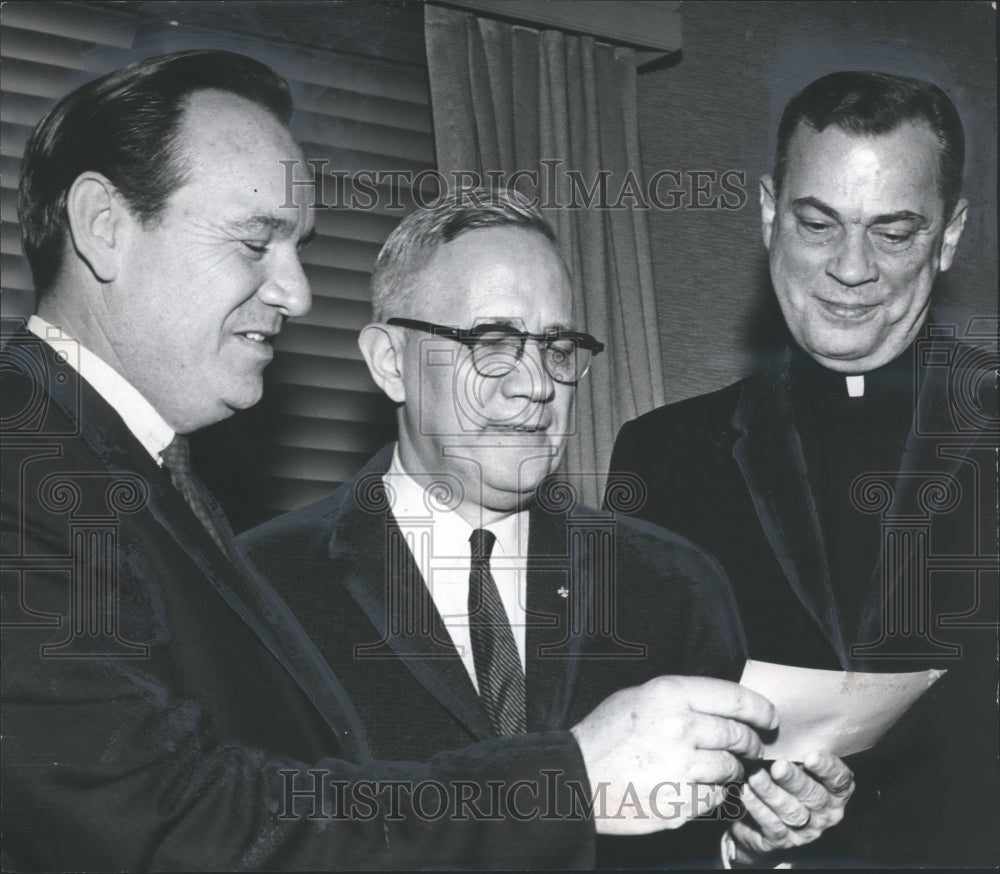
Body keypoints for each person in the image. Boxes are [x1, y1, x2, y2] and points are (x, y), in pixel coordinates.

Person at [0, 49, 794, 872]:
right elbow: (166, 823)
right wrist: (567, 780)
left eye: (556, 347)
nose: (298, 292)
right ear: (103, 227)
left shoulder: (132, 475)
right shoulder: (28, 469)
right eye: (254, 241)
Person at [239, 187, 855, 867]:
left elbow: (700, 840)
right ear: (391, 362)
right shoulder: (260, 591)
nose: (536, 384)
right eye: (492, 343)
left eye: (558, 348)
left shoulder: (672, 585)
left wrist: (747, 847)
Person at [606, 71, 999, 867]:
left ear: (950, 235)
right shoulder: (662, 455)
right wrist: (739, 846)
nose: (850, 269)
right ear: (767, 214)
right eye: (818, 224)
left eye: (894, 233)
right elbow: (627, 786)